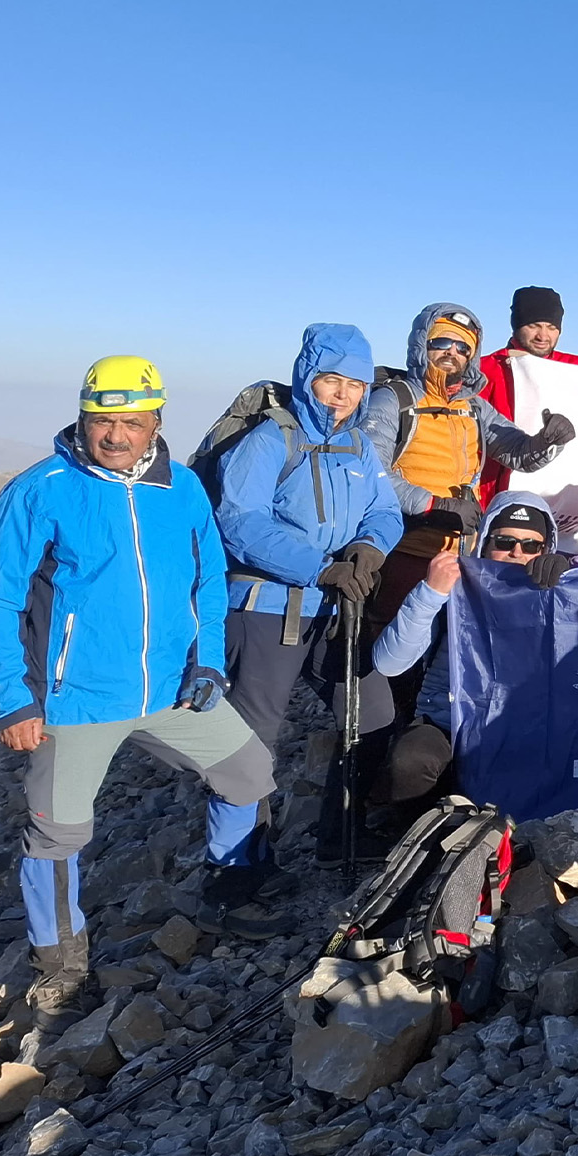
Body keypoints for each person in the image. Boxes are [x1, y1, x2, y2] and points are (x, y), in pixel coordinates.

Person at [0, 356, 284, 1012]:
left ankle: (229, 893)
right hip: (75, 699)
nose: (115, 434)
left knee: (249, 771)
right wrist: (13, 699)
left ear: (156, 423)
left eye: (131, 421)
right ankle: (60, 960)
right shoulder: (41, 489)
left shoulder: (185, 489)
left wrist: (210, 661)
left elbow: (208, 581)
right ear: (82, 418)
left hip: (175, 688)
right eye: (102, 419)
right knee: (57, 834)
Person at [211, 324, 407, 871]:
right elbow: (240, 523)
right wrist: (322, 568)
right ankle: (237, 872)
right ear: (307, 377)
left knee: (373, 714)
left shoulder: (360, 445)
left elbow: (384, 511)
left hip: (334, 608)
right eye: (331, 380)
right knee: (251, 747)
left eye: (354, 383)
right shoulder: (270, 440)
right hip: (267, 609)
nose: (343, 393)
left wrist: (370, 547)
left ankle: (339, 833)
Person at [361, 303, 575, 682]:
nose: (452, 353)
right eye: (442, 342)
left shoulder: (473, 407)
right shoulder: (394, 399)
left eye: (463, 348)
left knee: (452, 658)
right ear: (421, 346)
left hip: (462, 560)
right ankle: (385, 737)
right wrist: (433, 504)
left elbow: (515, 451)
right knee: (394, 667)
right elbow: (369, 473)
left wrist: (549, 440)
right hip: (404, 552)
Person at [366, 491, 572, 824]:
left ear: (545, 550)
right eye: (504, 541)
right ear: (485, 542)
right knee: (409, 763)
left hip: (522, 731)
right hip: (448, 723)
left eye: (531, 545)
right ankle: (414, 828)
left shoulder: (555, 595)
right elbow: (390, 662)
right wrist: (430, 593)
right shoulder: (454, 588)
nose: (517, 553)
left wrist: (567, 586)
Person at [478, 287, 578, 503]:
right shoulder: (486, 370)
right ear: (516, 325)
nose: (543, 336)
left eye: (551, 327)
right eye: (533, 325)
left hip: (562, 496)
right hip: (495, 492)